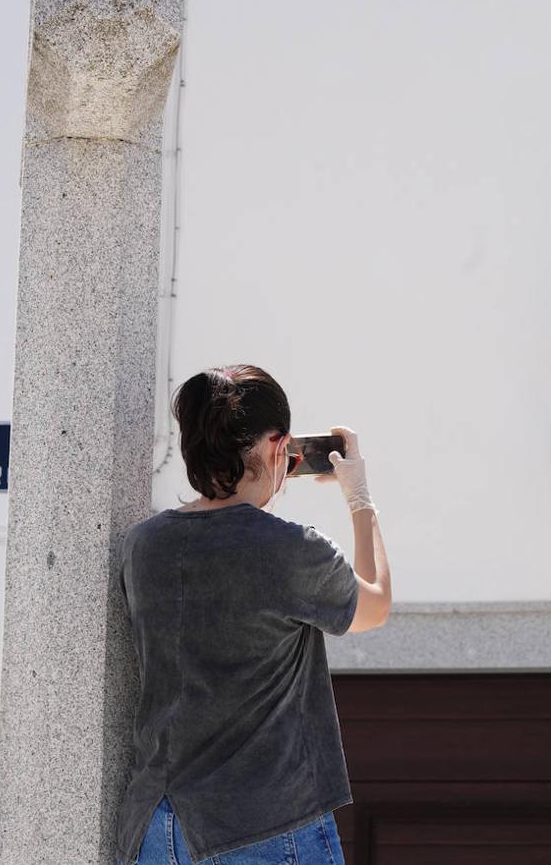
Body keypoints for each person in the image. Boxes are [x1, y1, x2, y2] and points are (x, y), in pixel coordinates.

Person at [113, 364, 391, 865]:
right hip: (262, 822)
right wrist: (360, 497)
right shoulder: (288, 549)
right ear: (277, 447)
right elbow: (375, 606)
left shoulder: (143, 546)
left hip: (156, 826)